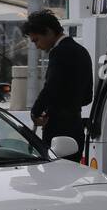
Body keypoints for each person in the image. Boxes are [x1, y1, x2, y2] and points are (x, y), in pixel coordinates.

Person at [23, 10, 93, 162]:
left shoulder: (59, 53)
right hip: (76, 126)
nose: (36, 46)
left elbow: (51, 88)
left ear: (48, 32)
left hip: (57, 130)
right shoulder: (82, 52)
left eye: (36, 40)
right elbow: (88, 96)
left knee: (54, 177)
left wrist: (36, 112)